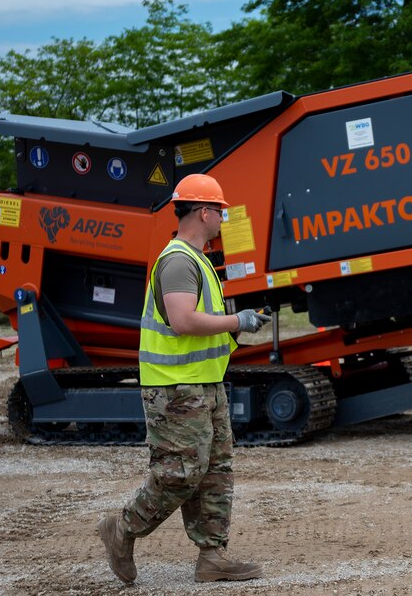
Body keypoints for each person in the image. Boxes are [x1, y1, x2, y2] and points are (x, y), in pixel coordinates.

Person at [98, 174, 271, 585]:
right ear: (204, 212)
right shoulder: (178, 260)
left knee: (215, 470)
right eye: (221, 211)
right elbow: (182, 320)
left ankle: (212, 556)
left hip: (204, 383)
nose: (224, 219)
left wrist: (233, 328)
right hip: (175, 387)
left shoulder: (197, 259)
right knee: (180, 473)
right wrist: (239, 321)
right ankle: (122, 528)